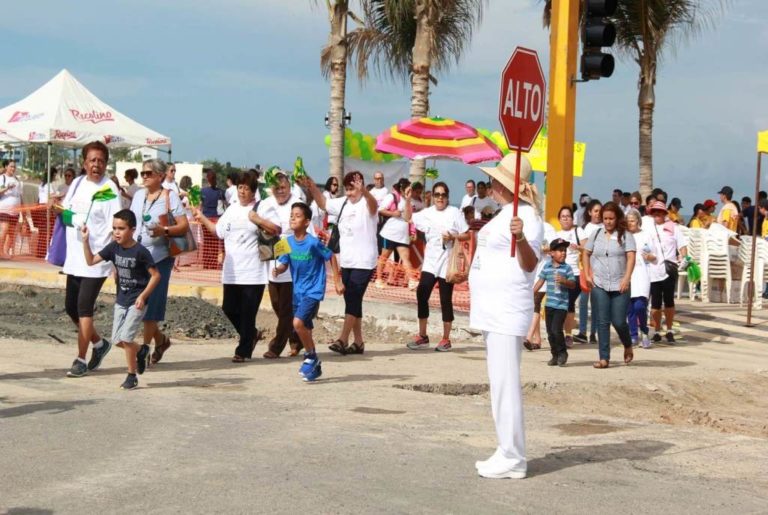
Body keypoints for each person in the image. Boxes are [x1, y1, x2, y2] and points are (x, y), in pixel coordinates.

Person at [470, 152, 543, 480]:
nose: (492, 185)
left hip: (506, 309)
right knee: (499, 383)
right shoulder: (504, 214)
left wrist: (521, 237)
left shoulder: (527, 218)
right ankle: (506, 449)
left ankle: (513, 456)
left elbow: (530, 264)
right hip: (492, 309)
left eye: (496, 180)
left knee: (506, 384)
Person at [49, 141, 122, 378]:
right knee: (71, 308)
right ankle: (100, 345)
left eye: (101, 161)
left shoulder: (110, 188)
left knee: (83, 308)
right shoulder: (78, 183)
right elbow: (70, 215)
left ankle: (80, 359)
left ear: (106, 164)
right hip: (75, 258)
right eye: (92, 160)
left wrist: (115, 260)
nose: (96, 165)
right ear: (84, 162)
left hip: (97, 259)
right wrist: (58, 210)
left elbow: (116, 227)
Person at [301, 171, 379, 356]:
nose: (351, 193)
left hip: (365, 261)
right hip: (348, 260)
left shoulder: (367, 203)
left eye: (354, 188)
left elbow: (374, 207)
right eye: (348, 189)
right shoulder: (343, 202)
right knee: (352, 300)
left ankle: (343, 339)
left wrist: (365, 193)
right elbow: (323, 203)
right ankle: (359, 342)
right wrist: (312, 186)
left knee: (353, 297)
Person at [196, 171, 270, 362]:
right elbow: (217, 231)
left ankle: (243, 350)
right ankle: (251, 334)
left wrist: (259, 221)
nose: (242, 191)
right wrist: (201, 216)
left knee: (248, 312)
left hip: (254, 271)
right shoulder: (231, 209)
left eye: (246, 188)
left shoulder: (260, 208)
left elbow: (274, 230)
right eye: (240, 187)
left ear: (254, 191)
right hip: (232, 270)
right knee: (229, 308)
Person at [82, 209, 160, 389]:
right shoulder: (113, 248)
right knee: (117, 340)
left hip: (137, 302)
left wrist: (143, 296)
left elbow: (156, 276)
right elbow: (91, 261)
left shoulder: (140, 252)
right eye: (114, 228)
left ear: (132, 229)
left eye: (121, 228)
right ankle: (141, 351)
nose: (117, 232)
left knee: (126, 338)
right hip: (121, 300)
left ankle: (131, 376)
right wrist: (85, 241)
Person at [128, 159, 190, 366]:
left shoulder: (170, 196)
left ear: (160, 176)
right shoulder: (138, 195)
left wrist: (163, 230)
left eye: (148, 173)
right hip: (138, 258)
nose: (144, 177)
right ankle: (161, 340)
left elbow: (183, 226)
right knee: (138, 304)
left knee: (150, 308)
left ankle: (144, 349)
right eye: (142, 173)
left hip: (160, 259)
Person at [402, 181, 470, 352]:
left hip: (447, 262)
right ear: (432, 196)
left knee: (445, 299)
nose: (440, 198)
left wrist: (453, 236)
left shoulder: (454, 212)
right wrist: (408, 200)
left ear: (447, 197)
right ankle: (423, 335)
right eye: (437, 194)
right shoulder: (427, 213)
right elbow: (408, 217)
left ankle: (446, 339)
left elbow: (466, 234)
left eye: (443, 195)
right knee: (421, 292)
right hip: (430, 262)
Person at [253, 170, 311, 358]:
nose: (280, 191)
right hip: (271, 257)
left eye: (284, 187)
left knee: (286, 307)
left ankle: (276, 346)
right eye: (277, 188)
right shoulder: (265, 203)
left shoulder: (297, 201)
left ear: (289, 186)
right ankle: (297, 338)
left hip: (291, 258)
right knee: (278, 304)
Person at [273, 202, 333, 381]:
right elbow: (284, 263)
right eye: (292, 214)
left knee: (297, 323)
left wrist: (337, 281)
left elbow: (330, 256)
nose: (293, 218)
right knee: (305, 326)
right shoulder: (287, 243)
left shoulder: (313, 243)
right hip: (297, 291)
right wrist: (279, 269)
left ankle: (311, 357)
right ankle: (315, 367)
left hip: (313, 290)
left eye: (297, 215)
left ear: (307, 222)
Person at [583, 201, 636, 369]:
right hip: (599, 283)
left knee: (619, 321)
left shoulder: (626, 235)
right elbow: (586, 253)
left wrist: (627, 278)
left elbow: (631, 258)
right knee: (602, 321)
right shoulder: (596, 234)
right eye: (605, 218)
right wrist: (587, 273)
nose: (608, 222)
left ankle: (627, 344)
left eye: (611, 218)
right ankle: (604, 358)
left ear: (617, 218)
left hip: (620, 283)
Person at [647, 200, 688, 344]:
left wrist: (685, 259)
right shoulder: (648, 228)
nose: (657, 214)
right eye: (655, 212)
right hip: (653, 270)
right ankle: (657, 330)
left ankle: (669, 329)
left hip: (669, 268)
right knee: (655, 303)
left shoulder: (674, 227)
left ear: (665, 213)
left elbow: (682, 246)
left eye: (660, 212)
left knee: (669, 301)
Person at [533, 238, 576, 366]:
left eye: (565, 251)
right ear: (551, 253)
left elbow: (573, 284)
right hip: (549, 305)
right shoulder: (547, 267)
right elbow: (540, 282)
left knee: (557, 330)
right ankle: (555, 355)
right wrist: (531, 293)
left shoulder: (567, 268)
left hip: (561, 305)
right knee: (550, 332)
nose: (563, 253)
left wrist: (564, 281)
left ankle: (563, 353)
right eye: (560, 250)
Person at [375, 178, 417, 290]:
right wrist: (393, 213)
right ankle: (378, 279)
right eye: (406, 189)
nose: (408, 191)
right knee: (384, 257)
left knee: (405, 258)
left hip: (403, 235)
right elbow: (381, 210)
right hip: (390, 233)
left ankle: (412, 280)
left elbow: (409, 217)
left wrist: (412, 231)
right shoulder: (392, 197)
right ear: (401, 188)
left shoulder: (409, 201)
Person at [555, 206, 585, 348]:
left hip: (576, 273)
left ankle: (568, 335)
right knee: (561, 304)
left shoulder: (578, 231)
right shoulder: (557, 234)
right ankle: (561, 333)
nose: (566, 218)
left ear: (573, 219)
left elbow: (587, 249)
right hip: (560, 273)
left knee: (569, 303)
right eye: (563, 216)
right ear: (559, 219)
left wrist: (577, 247)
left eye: (568, 216)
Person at [525, 222, 557, 351]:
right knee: (533, 302)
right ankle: (537, 340)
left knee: (536, 301)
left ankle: (529, 337)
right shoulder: (527, 226)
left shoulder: (548, 228)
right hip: (531, 270)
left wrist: (541, 249)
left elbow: (553, 247)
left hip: (545, 269)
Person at [574, 199, 602, 344]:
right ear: (590, 212)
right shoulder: (585, 228)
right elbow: (584, 248)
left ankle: (594, 332)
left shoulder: (605, 227)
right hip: (586, 268)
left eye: (600, 211)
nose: (598, 214)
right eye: (596, 211)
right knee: (583, 301)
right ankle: (583, 331)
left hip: (600, 269)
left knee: (597, 302)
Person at [625, 209, 654, 348]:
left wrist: (650, 257)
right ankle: (633, 334)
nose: (630, 223)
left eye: (632, 221)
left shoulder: (646, 236)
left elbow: (655, 256)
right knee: (630, 307)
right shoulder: (623, 236)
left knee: (640, 306)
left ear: (638, 221)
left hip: (642, 274)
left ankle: (644, 330)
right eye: (628, 221)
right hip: (627, 275)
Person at [200, 169, 226, 269]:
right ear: (215, 179)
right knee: (215, 242)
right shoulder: (220, 192)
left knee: (206, 242)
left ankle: (206, 263)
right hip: (216, 219)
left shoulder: (203, 191)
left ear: (207, 179)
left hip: (205, 218)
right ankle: (213, 263)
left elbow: (200, 205)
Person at [0, 159, 22, 259]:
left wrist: (23, 211)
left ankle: (5, 251)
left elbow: (20, 195)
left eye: (14, 166)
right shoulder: (2, 178)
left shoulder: (17, 180)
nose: (13, 168)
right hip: (4, 208)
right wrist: (7, 188)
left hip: (15, 210)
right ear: (6, 167)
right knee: (4, 229)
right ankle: (0, 251)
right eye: (11, 166)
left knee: (12, 232)